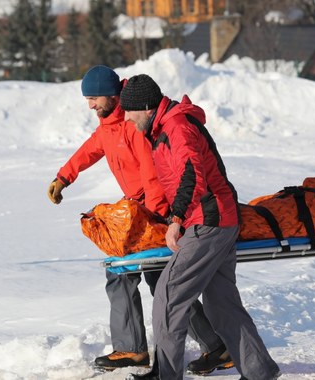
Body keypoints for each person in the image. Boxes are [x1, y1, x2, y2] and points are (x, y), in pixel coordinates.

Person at [47, 65, 233, 375]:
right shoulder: (108, 124)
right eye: (87, 99)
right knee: (157, 279)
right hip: (141, 209)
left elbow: (154, 175)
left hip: (154, 210)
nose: (90, 105)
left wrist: (156, 217)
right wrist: (64, 177)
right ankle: (214, 345)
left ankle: (134, 349)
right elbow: (90, 150)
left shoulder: (134, 124)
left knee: (130, 273)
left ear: (111, 95)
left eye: (94, 98)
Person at [120, 74, 281, 380]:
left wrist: (177, 219)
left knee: (168, 298)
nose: (126, 118)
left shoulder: (177, 127)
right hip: (218, 219)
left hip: (207, 221)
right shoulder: (166, 128)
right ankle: (259, 372)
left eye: (129, 111)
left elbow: (192, 175)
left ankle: (166, 375)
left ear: (145, 107)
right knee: (222, 304)